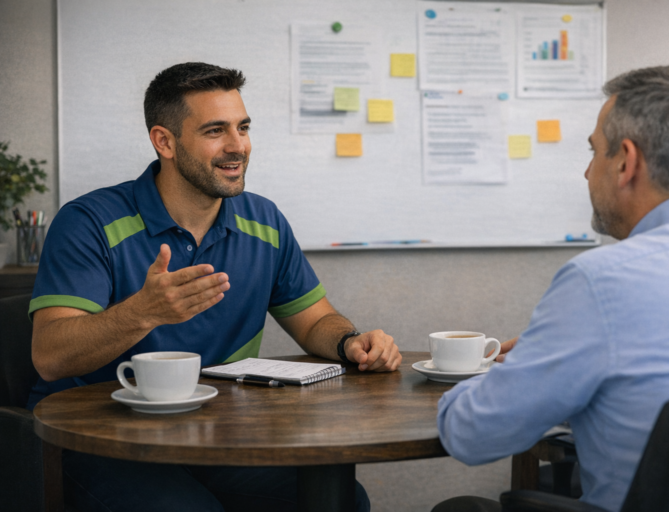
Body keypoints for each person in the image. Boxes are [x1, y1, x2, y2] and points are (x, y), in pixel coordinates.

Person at [28, 62, 401, 512]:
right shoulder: (88, 222)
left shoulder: (264, 220)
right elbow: (49, 356)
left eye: (243, 127)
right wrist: (143, 311)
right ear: (164, 141)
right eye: (215, 130)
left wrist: (349, 342)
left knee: (335, 499)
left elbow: (316, 319)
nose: (237, 146)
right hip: (100, 440)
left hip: (215, 434)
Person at [437, 65, 669, 512]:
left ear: (626, 162)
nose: (587, 171)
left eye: (594, 152)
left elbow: (470, 436)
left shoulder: (601, 282)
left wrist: (501, 378)